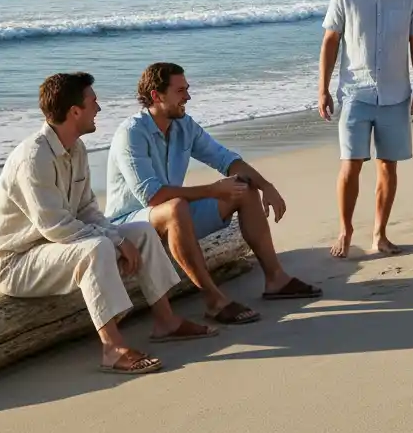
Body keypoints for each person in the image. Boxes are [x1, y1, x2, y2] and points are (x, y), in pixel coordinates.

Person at [0, 73, 215, 376]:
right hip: (18, 261)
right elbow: (55, 226)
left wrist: (119, 237)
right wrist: (115, 242)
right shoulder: (34, 157)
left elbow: (87, 210)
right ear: (74, 111)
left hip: (57, 248)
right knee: (96, 248)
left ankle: (167, 322)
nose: (99, 108)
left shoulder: (76, 149)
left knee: (143, 232)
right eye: (93, 101)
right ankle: (112, 348)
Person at [106, 62, 320, 326]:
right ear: (156, 95)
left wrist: (266, 186)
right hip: (130, 224)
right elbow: (152, 197)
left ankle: (276, 279)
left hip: (174, 212)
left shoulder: (184, 126)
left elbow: (226, 159)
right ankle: (214, 300)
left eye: (187, 89)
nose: (188, 97)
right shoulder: (131, 133)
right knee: (175, 207)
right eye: (180, 91)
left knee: (242, 187)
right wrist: (212, 189)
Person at [319, 0, 413, 257]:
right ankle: (346, 230)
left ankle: (380, 234)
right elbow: (330, 42)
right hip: (355, 93)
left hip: (396, 95)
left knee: (388, 166)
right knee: (350, 164)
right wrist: (322, 89)